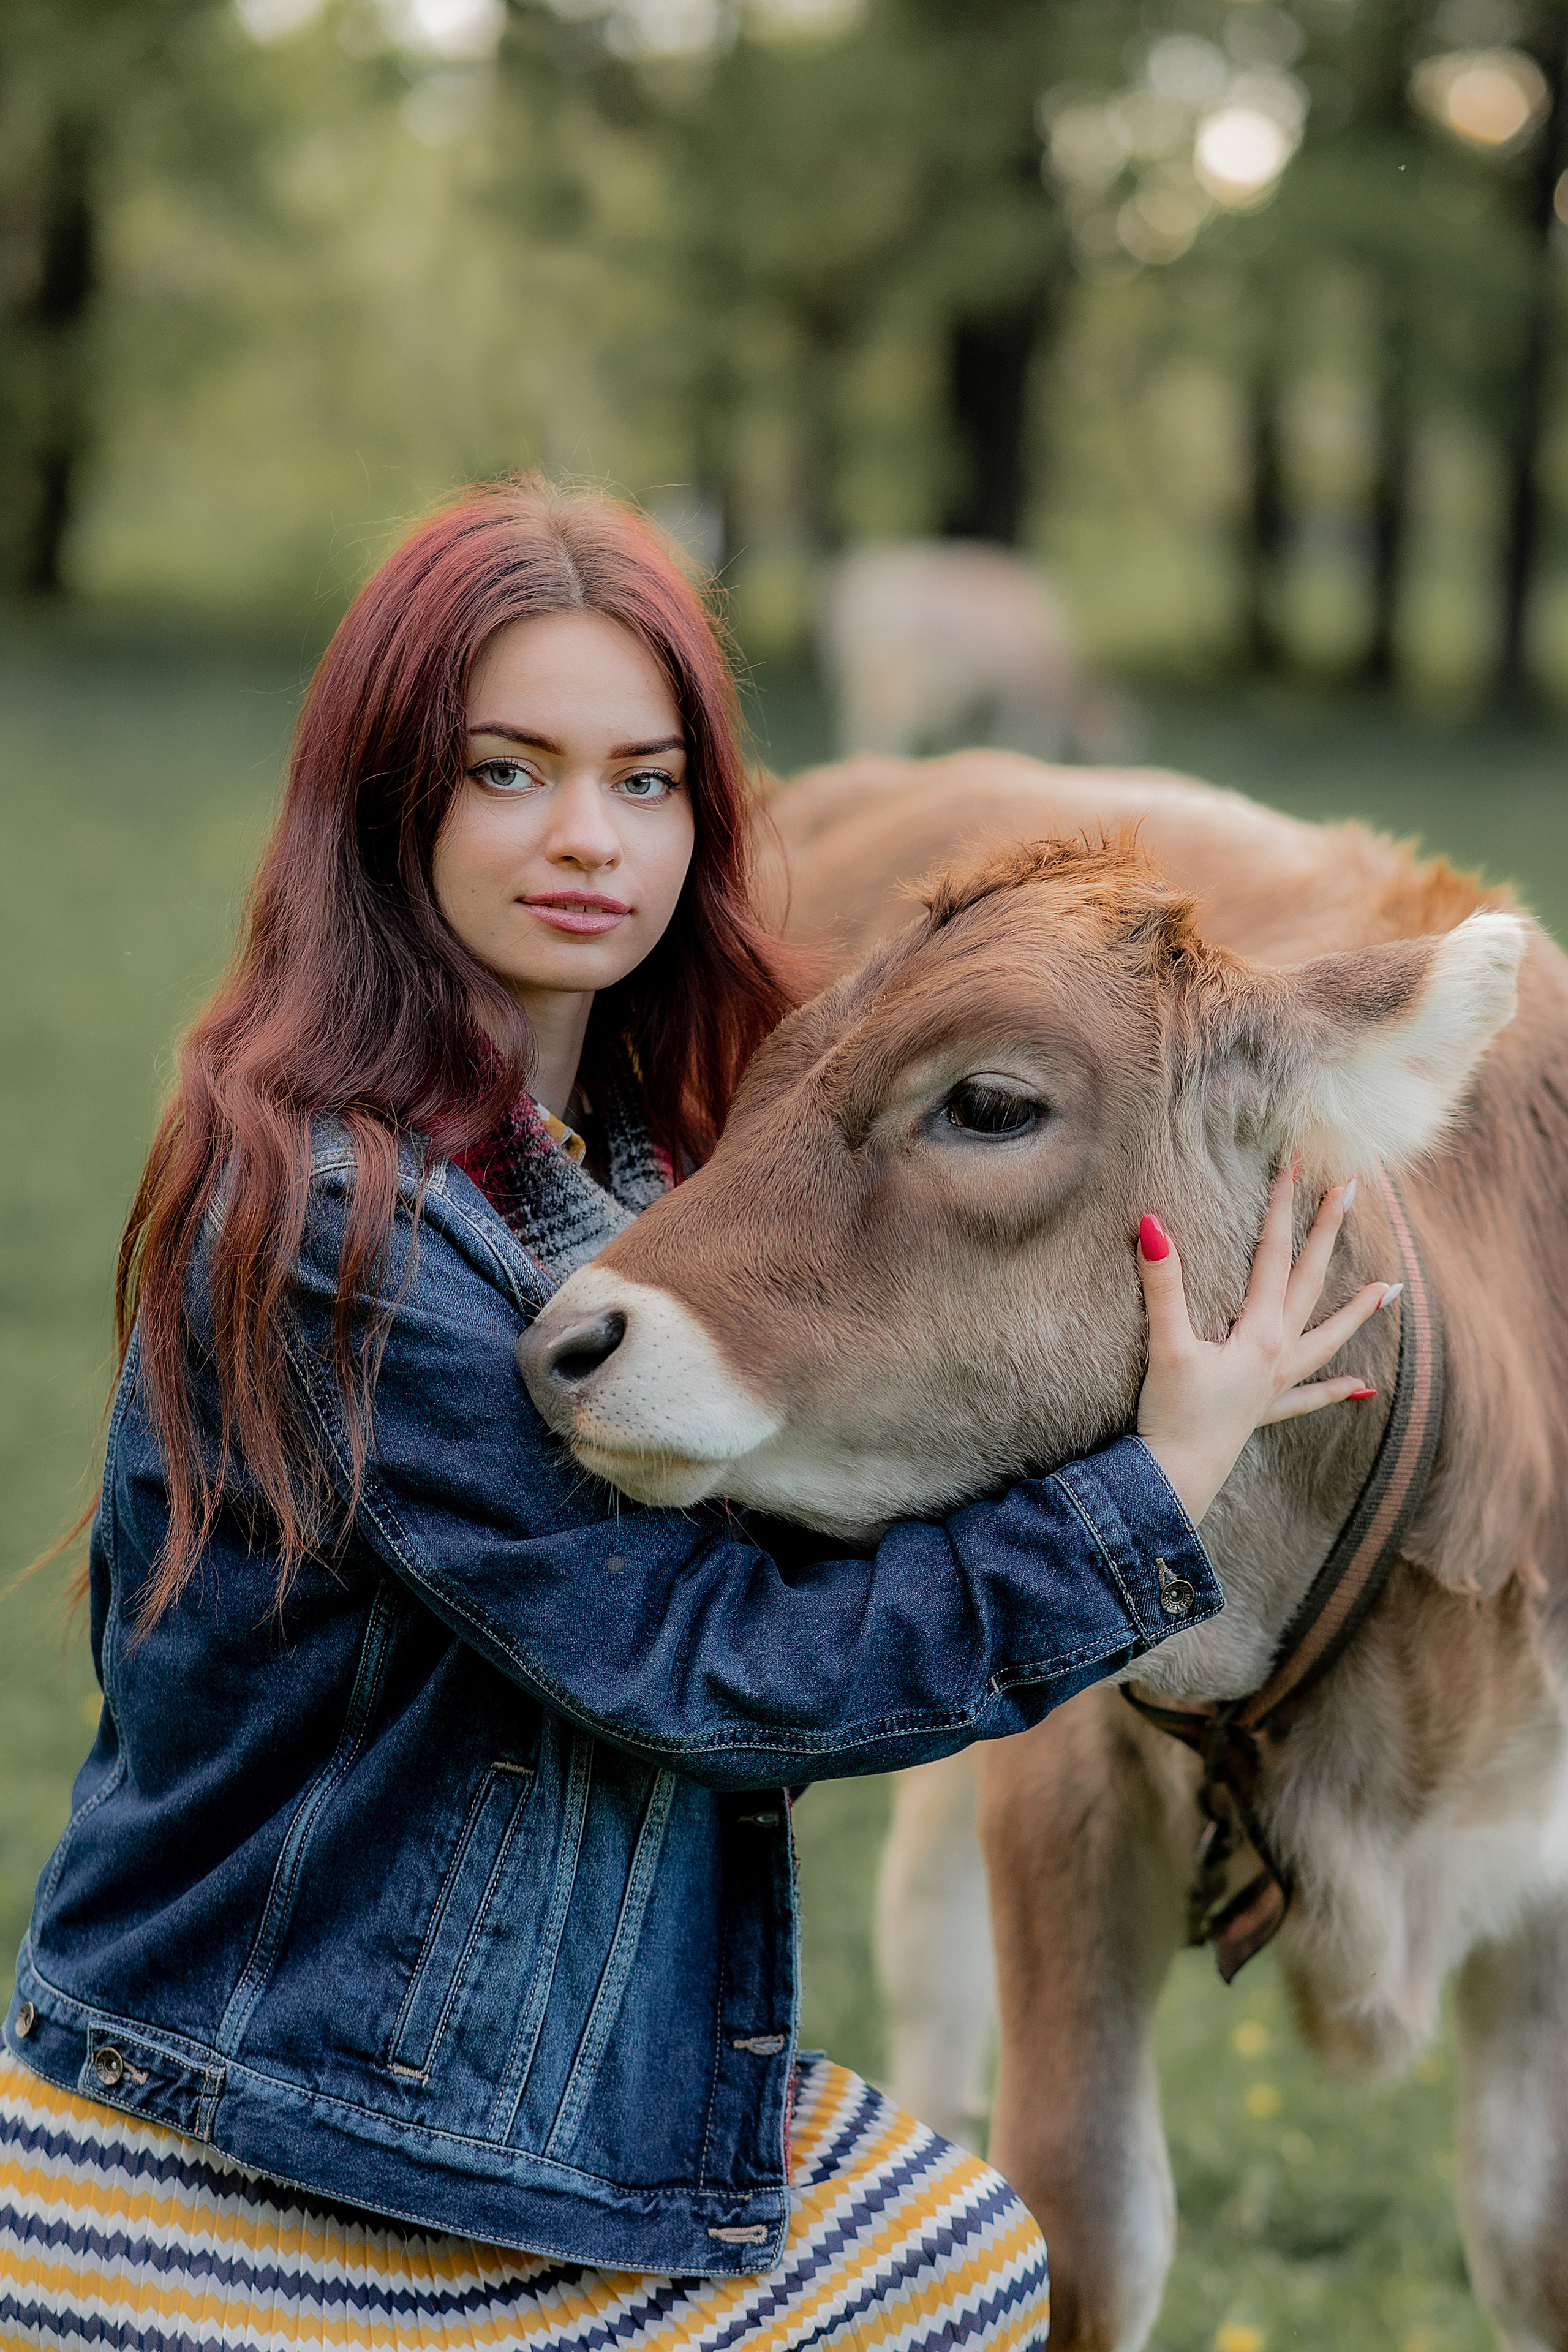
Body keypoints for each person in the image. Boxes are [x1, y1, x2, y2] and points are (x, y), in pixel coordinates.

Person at [0, 477, 1390, 2351]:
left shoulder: (638, 1167)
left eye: (645, 781)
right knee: (957, 2283)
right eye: (510, 771)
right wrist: (1165, 1486)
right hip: (276, 2128)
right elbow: (712, 1669)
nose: (589, 837)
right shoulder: (340, 1220)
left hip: (523, 2088)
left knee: (961, 2253)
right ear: (385, 800)